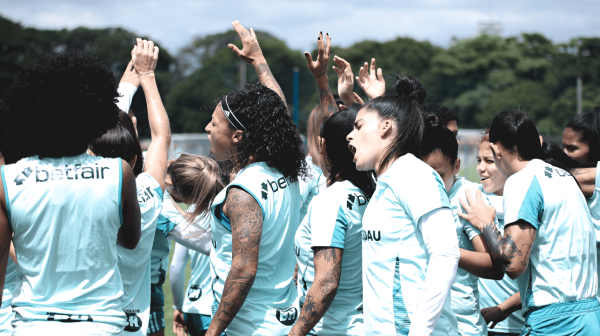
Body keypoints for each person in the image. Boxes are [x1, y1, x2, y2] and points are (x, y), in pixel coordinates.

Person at [0, 52, 141, 335]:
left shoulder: (8, 180)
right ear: (98, 114)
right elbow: (129, 239)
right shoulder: (119, 173)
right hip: (101, 324)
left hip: (33, 325)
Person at [204, 20, 308, 336]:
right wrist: (259, 62)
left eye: (213, 123)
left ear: (237, 137)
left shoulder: (243, 191)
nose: (207, 129)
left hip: (248, 327)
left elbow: (244, 270)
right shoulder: (286, 169)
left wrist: (213, 331)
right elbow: (276, 117)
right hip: (281, 317)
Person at [458, 110, 599, 335]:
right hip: (590, 315)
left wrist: (486, 223)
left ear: (496, 150)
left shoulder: (521, 181)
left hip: (555, 322)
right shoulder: (565, 177)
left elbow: (513, 264)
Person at [347, 75, 460, 335]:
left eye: (359, 126)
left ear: (386, 127)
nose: (350, 135)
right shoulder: (387, 182)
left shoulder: (413, 174)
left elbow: (446, 254)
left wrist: (419, 330)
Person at [89, 38, 170, 336]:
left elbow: (101, 144)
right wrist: (147, 77)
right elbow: (161, 138)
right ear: (136, 156)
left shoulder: (82, 193)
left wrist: (126, 87)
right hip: (134, 323)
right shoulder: (147, 193)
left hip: (92, 322)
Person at [291, 105, 375, 336]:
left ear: (324, 146)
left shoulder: (332, 201)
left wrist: (295, 333)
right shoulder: (373, 191)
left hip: (334, 327)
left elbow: (326, 282)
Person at [419, 124, 501, 336]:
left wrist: (444, 249)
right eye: (423, 176)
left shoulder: (467, 197)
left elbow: (493, 266)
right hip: (421, 321)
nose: (430, 183)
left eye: (438, 175)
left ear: (456, 166)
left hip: (461, 326)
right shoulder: (411, 195)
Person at [474, 130, 526, 336]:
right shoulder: (472, 199)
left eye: (489, 161)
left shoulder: (527, 205)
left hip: (519, 325)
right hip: (478, 324)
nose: (480, 168)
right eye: (479, 160)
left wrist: (504, 308)